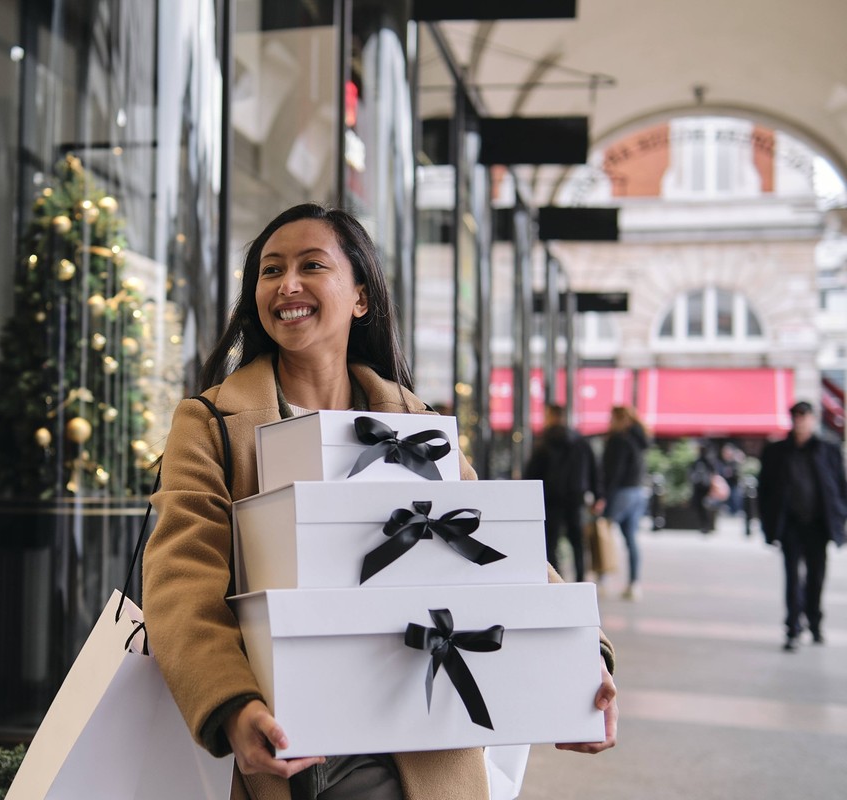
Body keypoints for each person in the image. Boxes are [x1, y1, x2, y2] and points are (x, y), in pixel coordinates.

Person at [142, 204, 618, 800]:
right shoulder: (211, 422)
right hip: (283, 738)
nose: (287, 284)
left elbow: (497, 548)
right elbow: (182, 581)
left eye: (311, 265)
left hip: (419, 732)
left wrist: (583, 659)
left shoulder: (414, 421)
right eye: (270, 270)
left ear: (361, 297)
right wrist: (232, 705)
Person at [757, 401, 847, 652]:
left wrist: (840, 518)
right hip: (791, 524)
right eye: (796, 416)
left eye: (804, 416)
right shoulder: (776, 451)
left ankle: (815, 622)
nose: (800, 421)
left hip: (819, 524)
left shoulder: (827, 450)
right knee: (792, 576)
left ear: (813, 419)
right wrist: (768, 523)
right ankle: (793, 627)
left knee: (816, 576)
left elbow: (840, 486)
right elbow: (765, 490)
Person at [525, 403, 601, 581]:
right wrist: (598, 495)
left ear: (551, 417)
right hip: (576, 498)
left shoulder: (544, 442)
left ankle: (557, 579)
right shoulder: (581, 442)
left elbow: (532, 474)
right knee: (577, 542)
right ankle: (581, 578)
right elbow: (594, 471)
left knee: (551, 543)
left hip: (551, 499)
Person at [598, 405, 650, 600]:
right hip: (638, 492)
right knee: (630, 538)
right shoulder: (639, 439)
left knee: (604, 532)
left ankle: (602, 578)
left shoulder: (618, 440)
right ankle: (634, 584)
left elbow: (614, 471)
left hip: (621, 492)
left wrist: (603, 496)